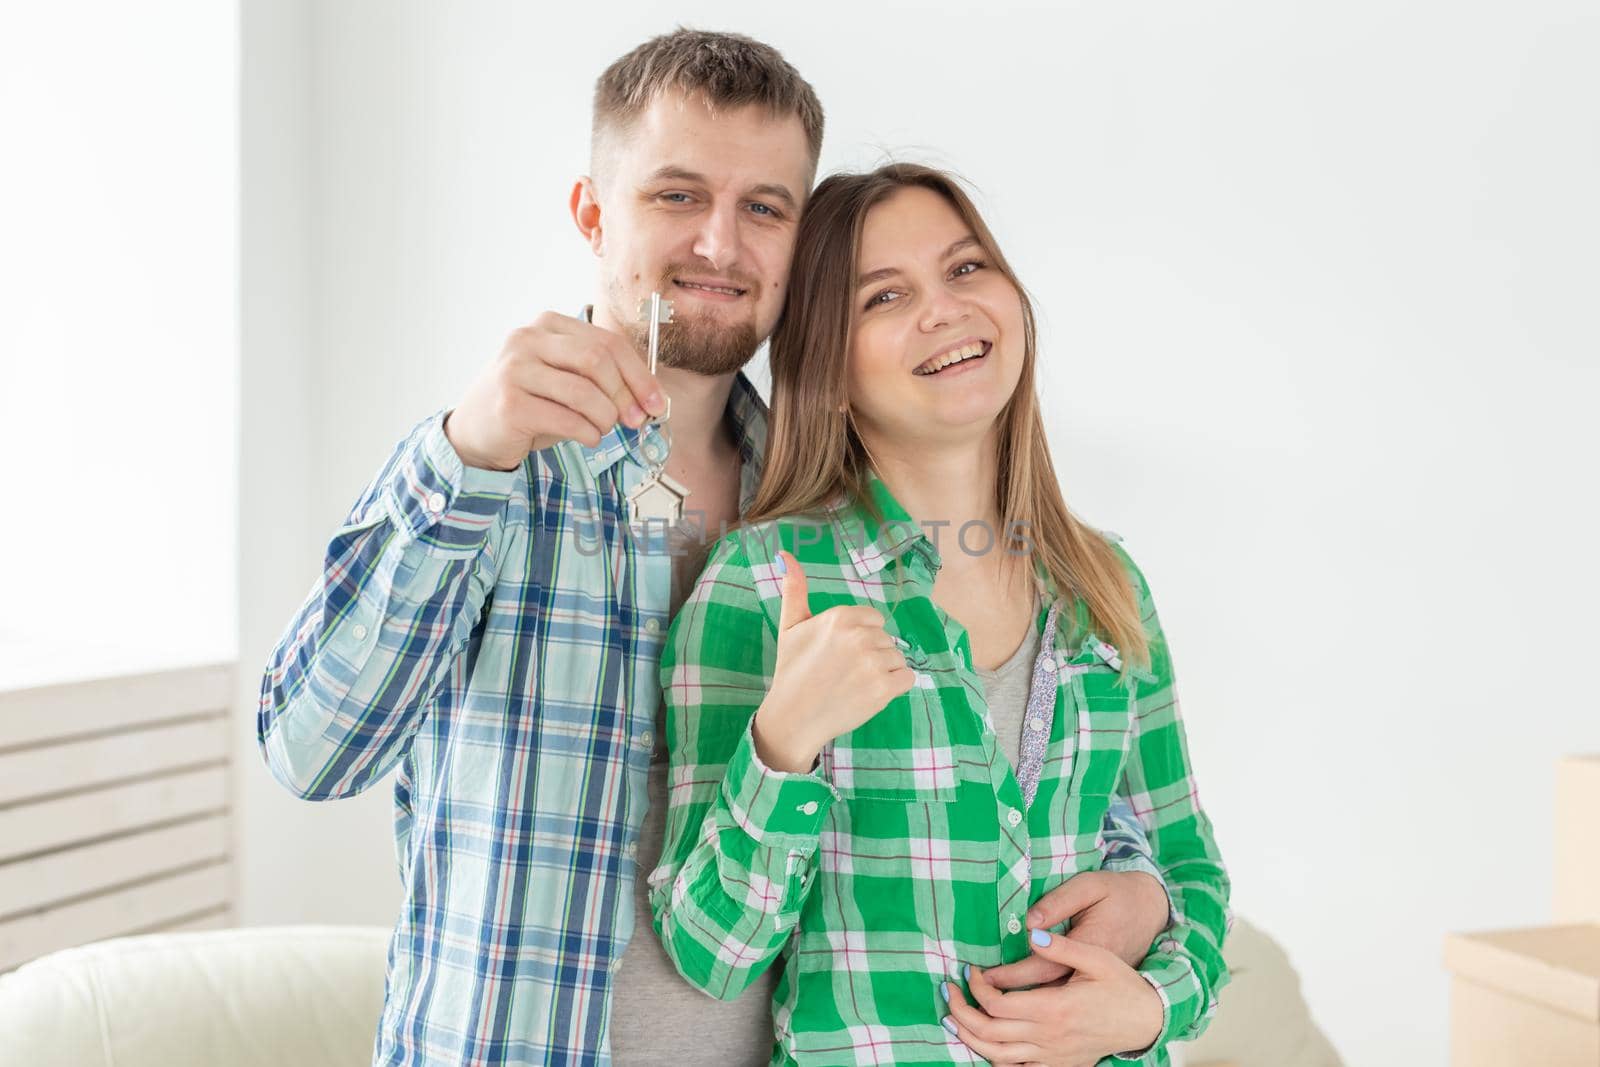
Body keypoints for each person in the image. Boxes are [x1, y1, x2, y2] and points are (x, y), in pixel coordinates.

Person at [257, 29, 1173, 1067]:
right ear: (594, 216)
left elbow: (1000, 794)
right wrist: (466, 455)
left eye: (764, 209)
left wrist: (1140, 887)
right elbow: (309, 750)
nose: (719, 246)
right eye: (676, 196)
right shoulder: (487, 465)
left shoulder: (836, 511)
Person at [650, 163, 1231, 1066]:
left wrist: (1152, 1008)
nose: (944, 309)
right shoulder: (764, 582)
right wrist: (783, 742)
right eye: (885, 297)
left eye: (965, 270)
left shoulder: (1107, 585)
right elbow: (710, 952)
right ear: (828, 373)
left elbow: (1191, 871)